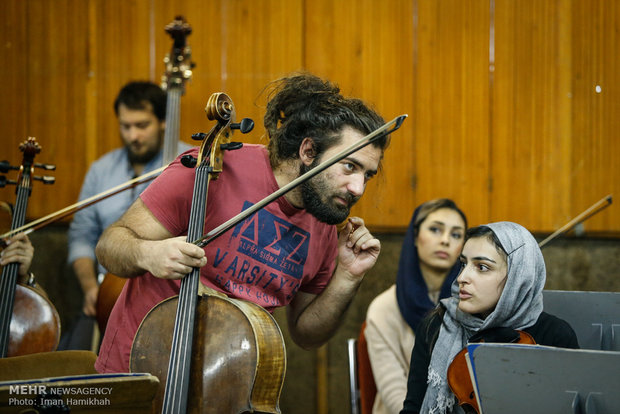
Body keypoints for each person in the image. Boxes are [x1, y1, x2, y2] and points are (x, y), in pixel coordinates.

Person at [94, 72, 392, 373]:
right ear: (308, 151)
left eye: (367, 174)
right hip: (139, 365)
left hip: (226, 387)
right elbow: (110, 246)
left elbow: (307, 334)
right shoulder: (210, 171)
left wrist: (347, 277)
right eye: (349, 166)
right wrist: (149, 254)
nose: (358, 188)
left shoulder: (326, 223)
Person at [400, 222, 579, 414]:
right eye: (463, 264)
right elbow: (412, 408)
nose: (462, 277)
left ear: (517, 277)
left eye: (482, 267)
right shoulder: (436, 324)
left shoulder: (554, 335)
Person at [66, 81, 192, 346]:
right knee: (72, 364)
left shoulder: (188, 164)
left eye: (142, 125)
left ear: (163, 122)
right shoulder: (101, 170)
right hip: (106, 294)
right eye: (126, 126)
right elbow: (81, 235)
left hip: (166, 295)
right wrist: (91, 289)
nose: (133, 136)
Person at [365, 199, 467, 414]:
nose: (446, 240)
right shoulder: (383, 308)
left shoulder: (471, 304)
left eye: (456, 234)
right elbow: (394, 394)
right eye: (435, 230)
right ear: (415, 236)